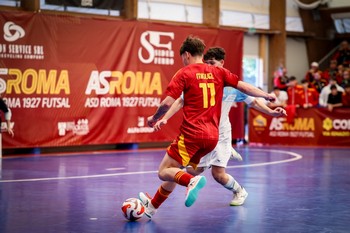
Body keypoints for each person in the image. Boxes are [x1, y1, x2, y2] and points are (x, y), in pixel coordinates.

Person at [139, 36, 275, 219]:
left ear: (187, 54)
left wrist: (154, 118)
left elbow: (167, 102)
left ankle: (191, 181)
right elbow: (243, 86)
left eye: (183, 58)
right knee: (175, 170)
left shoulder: (184, 73)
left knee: (164, 172)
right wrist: (266, 95)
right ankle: (152, 207)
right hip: (212, 137)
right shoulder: (218, 72)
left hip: (192, 135)